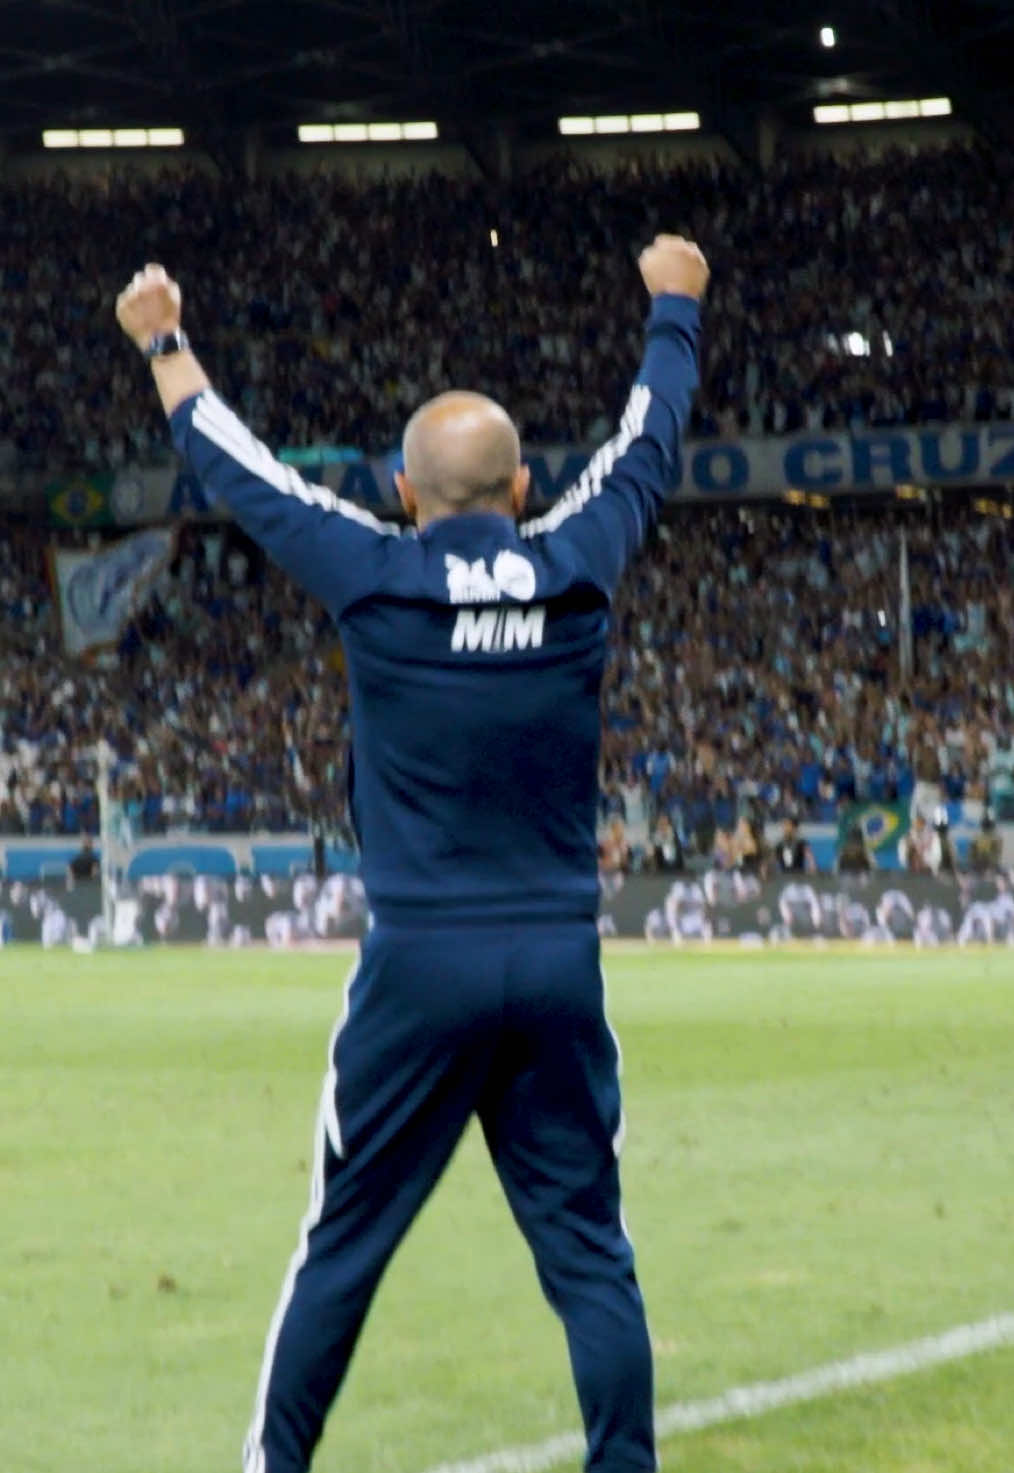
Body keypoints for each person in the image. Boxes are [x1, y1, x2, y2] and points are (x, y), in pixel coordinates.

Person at [115, 238, 708, 1473]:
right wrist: (672, 309)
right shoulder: (578, 562)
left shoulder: (375, 575)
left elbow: (239, 468)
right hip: (555, 960)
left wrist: (165, 342)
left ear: (400, 489)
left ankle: (276, 1464)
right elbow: (648, 446)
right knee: (590, 1251)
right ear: (529, 484)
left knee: (343, 1243)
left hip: (419, 968)